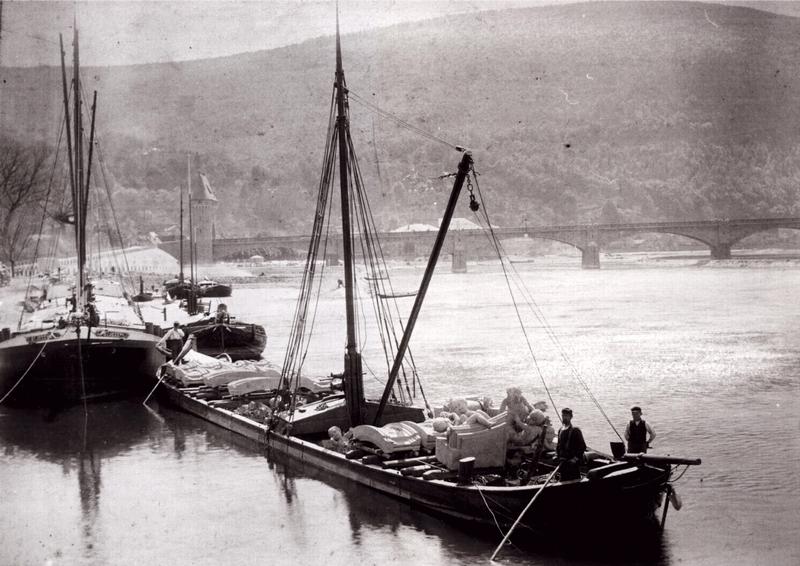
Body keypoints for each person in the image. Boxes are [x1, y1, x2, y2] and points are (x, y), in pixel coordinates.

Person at [556, 408, 586, 481]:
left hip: (572, 462)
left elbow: (582, 446)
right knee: (563, 480)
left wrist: (575, 459)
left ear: (571, 417)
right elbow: (558, 446)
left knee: (574, 481)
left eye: (566, 416)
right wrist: (557, 455)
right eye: (563, 416)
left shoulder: (575, 430)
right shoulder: (560, 430)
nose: (564, 418)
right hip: (563, 462)